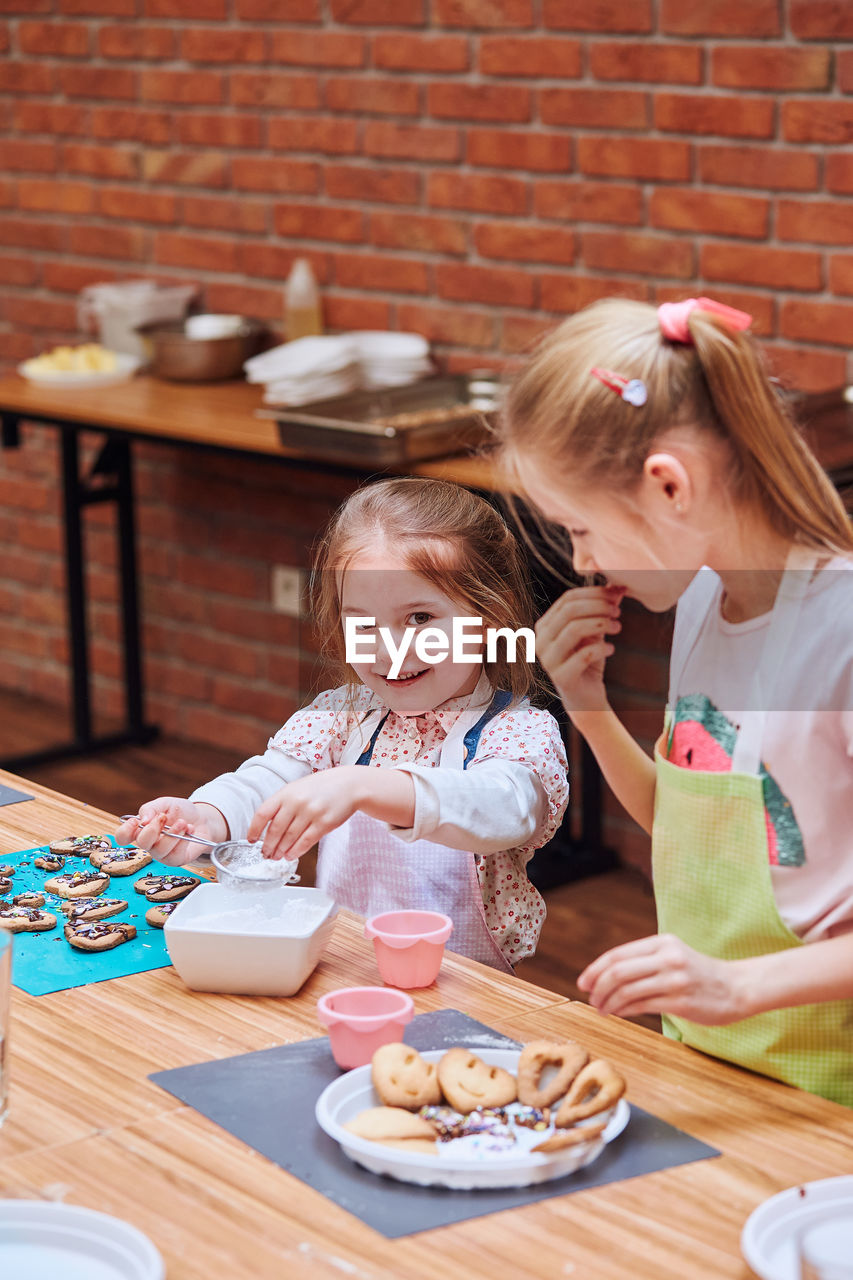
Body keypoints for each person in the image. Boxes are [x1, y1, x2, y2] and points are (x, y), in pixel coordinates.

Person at [498, 295, 853, 1105]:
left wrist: (736, 988)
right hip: (707, 1060)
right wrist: (585, 703)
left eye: (578, 528)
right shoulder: (700, 602)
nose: (583, 564)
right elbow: (690, 824)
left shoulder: (840, 635)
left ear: (667, 486)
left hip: (827, 1087)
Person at [118, 477, 568, 972]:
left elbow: (502, 809)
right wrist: (205, 819)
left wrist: (362, 785)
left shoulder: (518, 731)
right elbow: (264, 783)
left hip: (466, 984)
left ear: (489, 617)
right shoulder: (342, 715)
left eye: (419, 617)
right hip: (341, 965)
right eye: (364, 624)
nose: (389, 648)